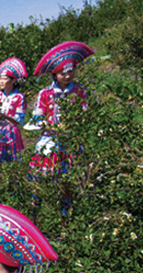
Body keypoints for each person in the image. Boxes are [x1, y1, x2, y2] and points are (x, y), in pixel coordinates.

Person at [25, 42, 93, 215]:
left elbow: (85, 112)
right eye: (63, 72)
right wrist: (54, 126)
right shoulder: (45, 93)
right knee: (40, 179)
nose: (68, 75)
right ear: (55, 74)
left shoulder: (79, 90)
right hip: (50, 140)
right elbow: (37, 119)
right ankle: (35, 217)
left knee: (68, 181)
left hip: (71, 140)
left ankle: (66, 220)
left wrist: (75, 124)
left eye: (71, 71)